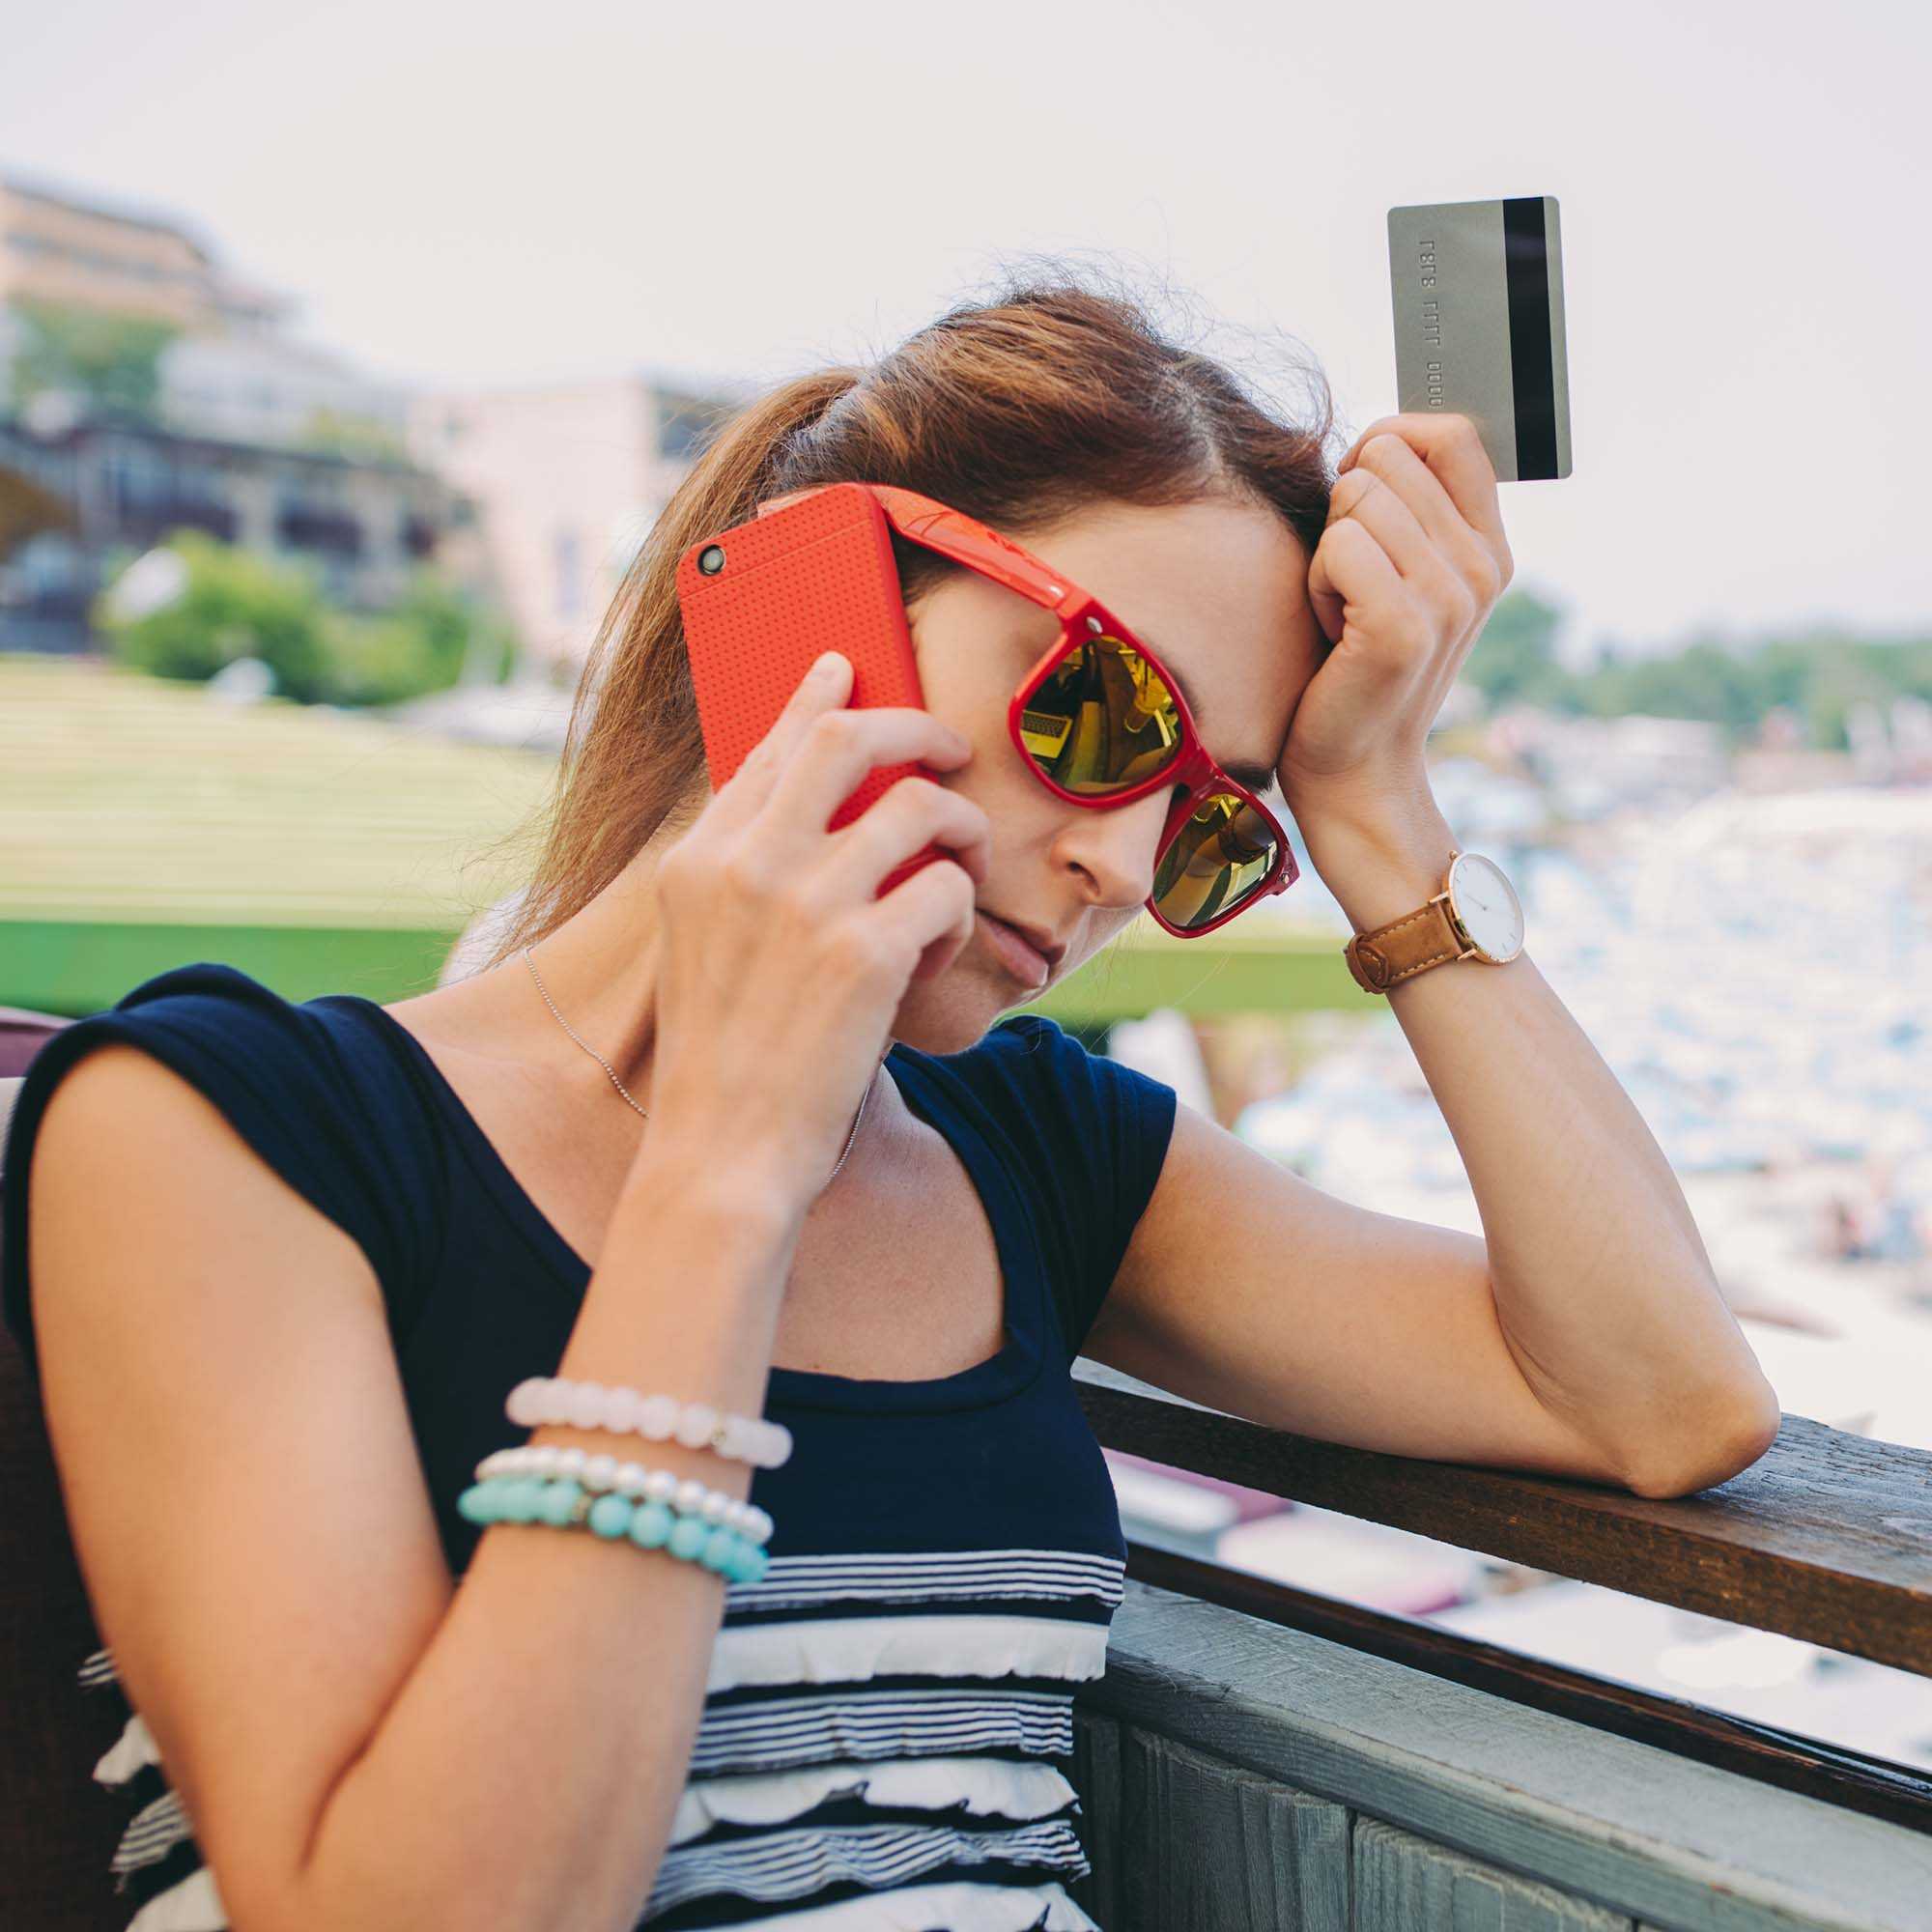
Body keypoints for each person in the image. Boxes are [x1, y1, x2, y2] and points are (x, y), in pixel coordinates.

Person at [1, 270, 1781, 1932]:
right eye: (1096, 710)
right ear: (809, 600)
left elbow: (1656, 1398)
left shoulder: (1036, 1151)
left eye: (1212, 817)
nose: (1116, 858)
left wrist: (1377, 806)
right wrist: (726, 1162)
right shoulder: (229, 1131)